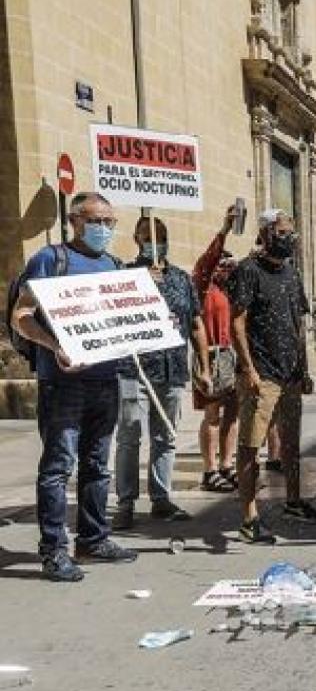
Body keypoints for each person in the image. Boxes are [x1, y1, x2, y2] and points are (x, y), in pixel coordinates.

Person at [10, 192, 137, 581]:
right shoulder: (51, 260)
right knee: (58, 467)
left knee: (97, 466)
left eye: (110, 222)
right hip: (62, 385)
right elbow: (21, 316)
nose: (104, 228)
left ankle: (93, 539)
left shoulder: (115, 265)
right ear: (75, 220)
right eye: (97, 220)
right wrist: (55, 345)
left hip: (105, 380)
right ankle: (53, 551)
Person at [230, 209, 316, 544]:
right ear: (267, 232)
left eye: (292, 232)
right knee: (250, 446)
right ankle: (249, 516)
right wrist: (249, 368)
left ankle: (294, 501)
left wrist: (304, 368)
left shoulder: (290, 273)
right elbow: (237, 322)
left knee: (291, 442)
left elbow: (298, 323)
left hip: (290, 374)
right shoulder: (247, 270)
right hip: (262, 374)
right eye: (283, 232)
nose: (290, 238)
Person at [113, 216, 212, 529]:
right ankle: (125, 503)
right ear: (135, 239)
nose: (154, 243)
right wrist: (143, 286)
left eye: (160, 236)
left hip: (172, 369)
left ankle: (161, 498)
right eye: (147, 237)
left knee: (165, 437)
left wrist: (204, 365)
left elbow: (196, 324)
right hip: (134, 369)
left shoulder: (182, 279)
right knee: (129, 436)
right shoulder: (123, 276)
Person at [191, 207, 242, 493]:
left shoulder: (228, 289)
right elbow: (208, 259)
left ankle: (227, 465)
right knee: (212, 414)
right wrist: (224, 230)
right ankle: (209, 470)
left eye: (228, 264)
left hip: (230, 355)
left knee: (232, 413)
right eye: (222, 264)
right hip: (209, 354)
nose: (225, 268)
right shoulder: (202, 285)